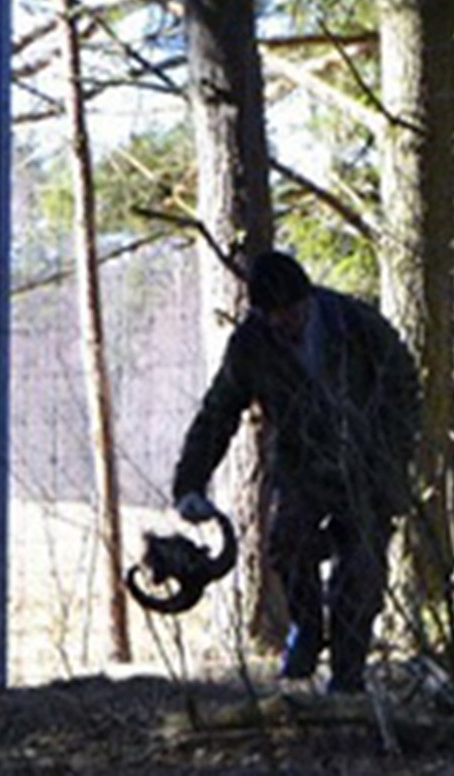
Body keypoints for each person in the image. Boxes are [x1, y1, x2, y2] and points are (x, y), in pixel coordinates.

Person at [172, 250, 420, 693]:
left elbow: (405, 386)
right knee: (286, 547)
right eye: (275, 316)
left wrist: (393, 455)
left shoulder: (356, 324)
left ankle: (347, 679)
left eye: (293, 311)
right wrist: (189, 483)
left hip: (368, 469)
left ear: (309, 299)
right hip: (303, 468)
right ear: (261, 314)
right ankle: (307, 629)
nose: (286, 322)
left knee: (359, 578)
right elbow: (219, 412)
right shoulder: (252, 343)